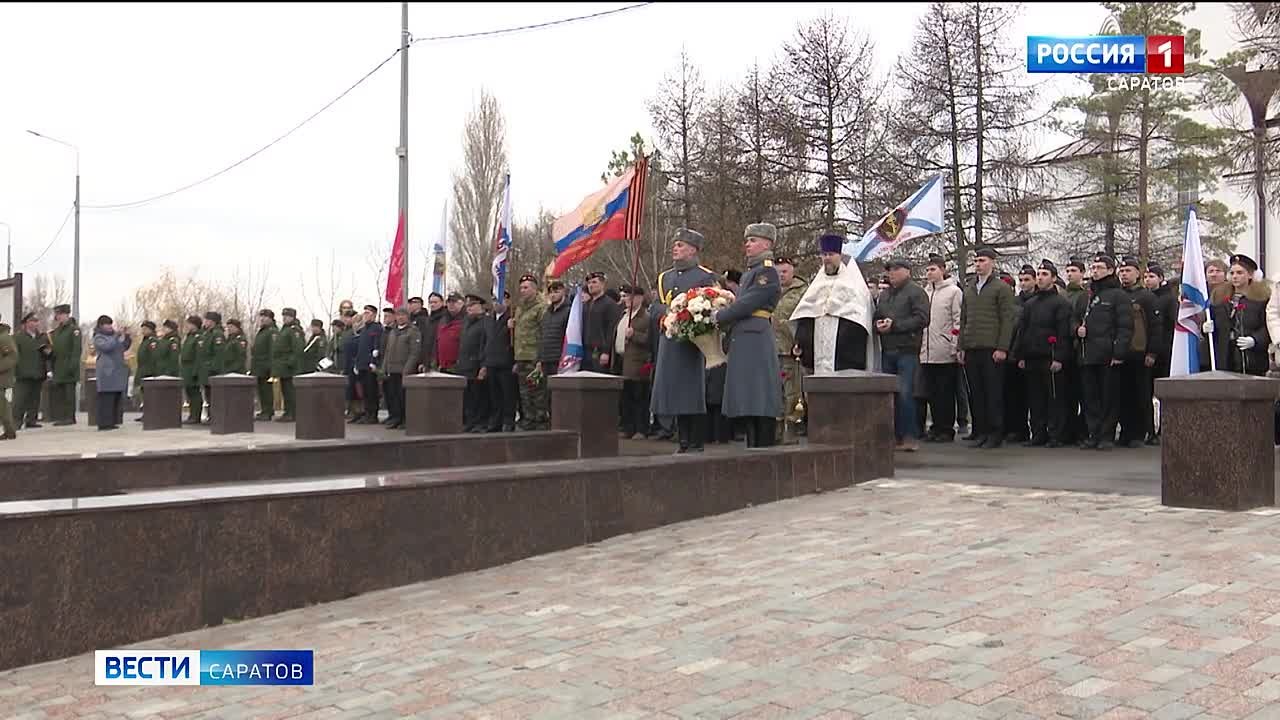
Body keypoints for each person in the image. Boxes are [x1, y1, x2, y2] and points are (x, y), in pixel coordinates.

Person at [714, 223, 784, 449]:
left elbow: (748, 303)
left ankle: (763, 446)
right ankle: (753, 446)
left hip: (755, 336)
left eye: (753, 240)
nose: (748, 244)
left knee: (759, 395)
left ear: (767, 244)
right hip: (744, 336)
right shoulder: (751, 273)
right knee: (748, 396)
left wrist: (720, 315)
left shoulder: (766, 272)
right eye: (748, 240)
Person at [651, 228, 718, 453]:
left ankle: (695, 439)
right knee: (673, 389)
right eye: (675, 244)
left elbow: (711, 305)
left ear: (693, 250)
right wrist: (665, 315)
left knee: (691, 390)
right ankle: (682, 439)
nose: (675, 248)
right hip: (669, 339)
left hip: (693, 341)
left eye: (680, 245)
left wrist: (688, 317)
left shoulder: (704, 276)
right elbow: (657, 305)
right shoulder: (665, 277)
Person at [957, 247, 1016, 449]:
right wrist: (961, 346)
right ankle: (981, 431)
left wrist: (1002, 347)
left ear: (992, 262)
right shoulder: (970, 288)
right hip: (972, 347)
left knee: (993, 393)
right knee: (977, 393)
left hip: (991, 348)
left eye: (982, 260)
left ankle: (995, 432)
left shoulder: (1001, 288)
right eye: (976, 260)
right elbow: (964, 319)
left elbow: (1007, 320)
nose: (978, 264)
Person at [790, 232, 874, 374]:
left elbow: (859, 319)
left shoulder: (853, 284)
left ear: (840, 256)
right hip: (818, 354)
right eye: (824, 255)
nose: (827, 258)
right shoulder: (816, 285)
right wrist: (801, 341)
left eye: (831, 254)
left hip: (844, 356)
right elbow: (806, 316)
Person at [1075, 253, 1132, 451]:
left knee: (1108, 397)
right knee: (1090, 398)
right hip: (1087, 353)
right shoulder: (1086, 296)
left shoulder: (1118, 295)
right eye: (1094, 268)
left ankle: (1106, 435)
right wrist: (1076, 330)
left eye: (1100, 267)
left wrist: (1119, 353)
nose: (1095, 271)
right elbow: (1074, 319)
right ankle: (1093, 433)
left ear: (1110, 270)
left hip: (1108, 354)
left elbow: (1125, 326)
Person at [873, 257, 930, 452]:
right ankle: (894, 435)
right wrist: (878, 325)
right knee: (891, 395)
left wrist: (895, 325)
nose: (892, 273)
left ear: (907, 271)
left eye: (896, 269)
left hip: (907, 349)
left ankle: (909, 435)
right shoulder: (885, 294)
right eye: (890, 270)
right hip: (887, 349)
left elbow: (922, 319)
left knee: (906, 394)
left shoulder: (916, 292)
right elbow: (877, 315)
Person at [1013, 260, 1072, 447]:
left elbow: (1064, 332)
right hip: (1032, 356)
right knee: (1035, 399)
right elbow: (1023, 330)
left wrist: (1059, 357)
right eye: (1039, 274)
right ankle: (1038, 433)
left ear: (1054, 278)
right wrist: (1020, 355)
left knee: (1054, 397)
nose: (1040, 278)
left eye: (1045, 274)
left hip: (1050, 356)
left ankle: (1056, 434)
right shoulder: (1030, 304)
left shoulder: (1061, 303)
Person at [1117, 256, 1162, 449]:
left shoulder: (1147, 297)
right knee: (1122, 396)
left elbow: (1156, 326)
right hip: (1120, 353)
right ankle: (1126, 432)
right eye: (1122, 271)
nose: (1124, 274)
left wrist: (1152, 352)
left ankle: (1144, 432)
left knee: (1142, 395)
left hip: (1140, 353)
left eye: (1128, 271)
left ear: (1137, 274)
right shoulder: (1117, 295)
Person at [920, 254, 963, 443]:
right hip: (926, 350)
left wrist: (955, 344)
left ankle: (946, 428)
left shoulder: (953, 292)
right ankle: (936, 426)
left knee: (945, 392)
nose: (930, 273)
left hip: (944, 349)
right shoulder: (925, 293)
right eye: (928, 269)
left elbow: (957, 320)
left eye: (933, 269)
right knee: (932, 392)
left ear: (942, 270)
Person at [1211, 253, 1270, 376]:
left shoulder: (1261, 298)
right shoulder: (1220, 297)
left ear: (1249, 275)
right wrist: (1206, 327)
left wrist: (1255, 340)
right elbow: (1213, 321)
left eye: (1240, 273)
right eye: (1232, 273)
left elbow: (1268, 326)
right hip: (1225, 357)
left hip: (1251, 358)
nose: (1235, 277)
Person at [772, 256, 808, 436]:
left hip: (790, 348)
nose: (781, 276)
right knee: (774, 390)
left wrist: (801, 342)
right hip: (770, 349)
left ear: (792, 271)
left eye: (784, 271)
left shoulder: (802, 291)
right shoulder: (769, 289)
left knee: (791, 390)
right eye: (777, 272)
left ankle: (791, 428)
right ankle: (775, 429)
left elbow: (806, 320)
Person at [1144, 263, 1178, 445]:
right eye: (1146, 277)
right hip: (1146, 349)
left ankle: (1164, 428)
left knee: (1163, 393)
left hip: (1164, 351)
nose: (1148, 280)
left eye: (1152, 277)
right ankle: (1150, 430)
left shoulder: (1169, 299)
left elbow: (1171, 326)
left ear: (1160, 278)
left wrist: (1162, 348)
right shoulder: (1145, 297)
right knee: (1147, 393)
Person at [511, 274, 549, 431]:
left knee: (538, 390)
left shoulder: (541, 307)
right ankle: (528, 418)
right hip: (521, 356)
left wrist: (541, 358)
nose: (522, 290)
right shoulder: (520, 308)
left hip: (534, 356)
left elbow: (544, 332)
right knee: (524, 391)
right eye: (521, 288)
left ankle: (540, 419)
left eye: (526, 287)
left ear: (534, 288)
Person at [617, 284, 652, 439]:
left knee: (639, 398)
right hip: (623, 361)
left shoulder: (646, 317)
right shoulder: (624, 315)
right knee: (626, 398)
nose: (626, 300)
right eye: (625, 296)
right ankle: (627, 427)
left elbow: (650, 340)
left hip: (638, 363)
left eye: (629, 297)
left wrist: (634, 335)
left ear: (639, 298)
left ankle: (641, 428)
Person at [92, 315, 132, 431]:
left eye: (110, 324)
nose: (110, 326)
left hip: (117, 371)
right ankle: (104, 423)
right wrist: (116, 336)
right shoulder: (98, 337)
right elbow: (107, 347)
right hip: (106, 372)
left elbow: (122, 347)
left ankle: (112, 421)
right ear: (101, 325)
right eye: (107, 324)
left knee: (115, 398)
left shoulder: (114, 337)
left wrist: (127, 336)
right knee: (106, 399)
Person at [382, 307, 420, 430]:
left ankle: (405, 419)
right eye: (398, 315)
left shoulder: (412, 331)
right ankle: (396, 418)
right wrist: (384, 368)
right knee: (393, 396)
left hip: (404, 369)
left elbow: (414, 352)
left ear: (407, 317)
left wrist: (407, 369)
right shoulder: (393, 331)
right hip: (392, 369)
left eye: (403, 315)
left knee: (403, 396)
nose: (400, 317)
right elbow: (387, 351)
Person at [459, 294, 491, 432]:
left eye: (472, 305)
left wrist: (484, 365)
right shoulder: (466, 321)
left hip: (478, 364)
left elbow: (487, 344)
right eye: (468, 306)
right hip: (465, 365)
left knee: (480, 396)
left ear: (480, 306)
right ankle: (470, 421)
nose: (469, 308)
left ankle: (481, 422)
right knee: (469, 397)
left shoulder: (486, 321)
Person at [484, 299, 516, 432]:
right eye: (494, 300)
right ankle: (496, 420)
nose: (496, 304)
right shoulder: (489, 320)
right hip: (491, 361)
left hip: (506, 362)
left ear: (507, 301)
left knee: (508, 394)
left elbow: (514, 341)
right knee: (494, 395)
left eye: (500, 300)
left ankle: (508, 420)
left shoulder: (511, 318)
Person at [581, 272, 623, 373]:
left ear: (603, 284)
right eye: (589, 283)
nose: (591, 285)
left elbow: (611, 329)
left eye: (594, 282)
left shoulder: (609, 304)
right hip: (586, 349)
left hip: (600, 351)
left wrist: (606, 351)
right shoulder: (587, 305)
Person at [14, 312, 49, 429]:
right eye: (32, 321)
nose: (35, 324)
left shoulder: (42, 337)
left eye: (36, 321)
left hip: (38, 372)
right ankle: (16, 421)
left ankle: (31, 420)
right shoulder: (18, 337)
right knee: (20, 399)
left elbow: (48, 354)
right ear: (26, 323)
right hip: (23, 373)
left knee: (35, 398)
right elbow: (14, 356)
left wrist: (48, 352)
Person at [49, 304, 81, 426]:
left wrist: (72, 366)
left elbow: (76, 350)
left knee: (69, 394)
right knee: (60, 394)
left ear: (67, 314)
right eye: (57, 315)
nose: (58, 317)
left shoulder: (74, 330)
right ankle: (62, 416)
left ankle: (69, 417)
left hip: (68, 366)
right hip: (58, 366)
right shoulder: (56, 331)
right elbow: (56, 348)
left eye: (60, 314)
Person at [273, 308, 305, 422]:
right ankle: (288, 411)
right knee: (285, 391)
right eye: (284, 316)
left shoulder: (294, 330)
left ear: (293, 317)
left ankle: (292, 413)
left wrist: (290, 362)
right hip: (282, 366)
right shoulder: (284, 330)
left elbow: (298, 348)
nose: (285, 318)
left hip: (290, 367)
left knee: (290, 391)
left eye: (287, 316)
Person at [353, 305, 383, 424]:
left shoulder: (376, 328)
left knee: (372, 391)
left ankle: (372, 415)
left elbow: (376, 346)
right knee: (364, 391)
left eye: (368, 313)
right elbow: (360, 349)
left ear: (374, 315)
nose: (366, 315)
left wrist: (374, 362)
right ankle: (367, 413)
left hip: (370, 365)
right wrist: (357, 364)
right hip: (362, 364)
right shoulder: (364, 329)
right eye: (364, 313)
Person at [197, 311, 225, 422]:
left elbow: (218, 354)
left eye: (207, 320)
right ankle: (211, 415)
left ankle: (216, 416)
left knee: (215, 396)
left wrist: (213, 368)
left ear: (212, 322)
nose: (205, 322)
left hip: (213, 370)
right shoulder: (206, 334)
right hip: (205, 369)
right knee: (208, 395)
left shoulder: (217, 334)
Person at [252, 310, 278, 421]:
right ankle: (265, 410)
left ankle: (268, 411)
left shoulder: (272, 332)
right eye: (261, 316)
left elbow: (273, 350)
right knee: (261, 389)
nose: (262, 319)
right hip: (259, 365)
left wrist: (272, 367)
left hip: (266, 365)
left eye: (265, 317)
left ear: (271, 319)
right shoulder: (262, 331)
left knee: (266, 390)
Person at [132, 321, 160, 421]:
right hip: (142, 370)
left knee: (150, 395)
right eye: (142, 329)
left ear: (151, 330)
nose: (143, 331)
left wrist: (153, 372)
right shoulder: (145, 340)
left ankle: (151, 414)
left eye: (145, 329)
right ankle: (146, 413)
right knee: (144, 394)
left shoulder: (152, 341)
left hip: (149, 371)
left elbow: (154, 357)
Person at [180, 315, 203, 425]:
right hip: (186, 368)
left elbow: (198, 356)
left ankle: (196, 416)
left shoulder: (198, 337)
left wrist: (195, 371)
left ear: (194, 325)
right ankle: (191, 414)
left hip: (193, 368)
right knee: (189, 392)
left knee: (195, 393)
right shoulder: (189, 336)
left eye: (189, 324)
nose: (187, 326)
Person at [435, 293, 464, 373]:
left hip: (458, 367)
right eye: (449, 302)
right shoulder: (443, 320)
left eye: (454, 302)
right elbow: (437, 342)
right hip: (443, 366)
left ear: (461, 303)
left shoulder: (466, 320)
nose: (451, 305)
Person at [0, 320, 19, 439]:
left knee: (2, 404)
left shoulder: (3, 337)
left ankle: (10, 430)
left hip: (1, 378)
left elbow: (13, 356)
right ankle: (9, 430)